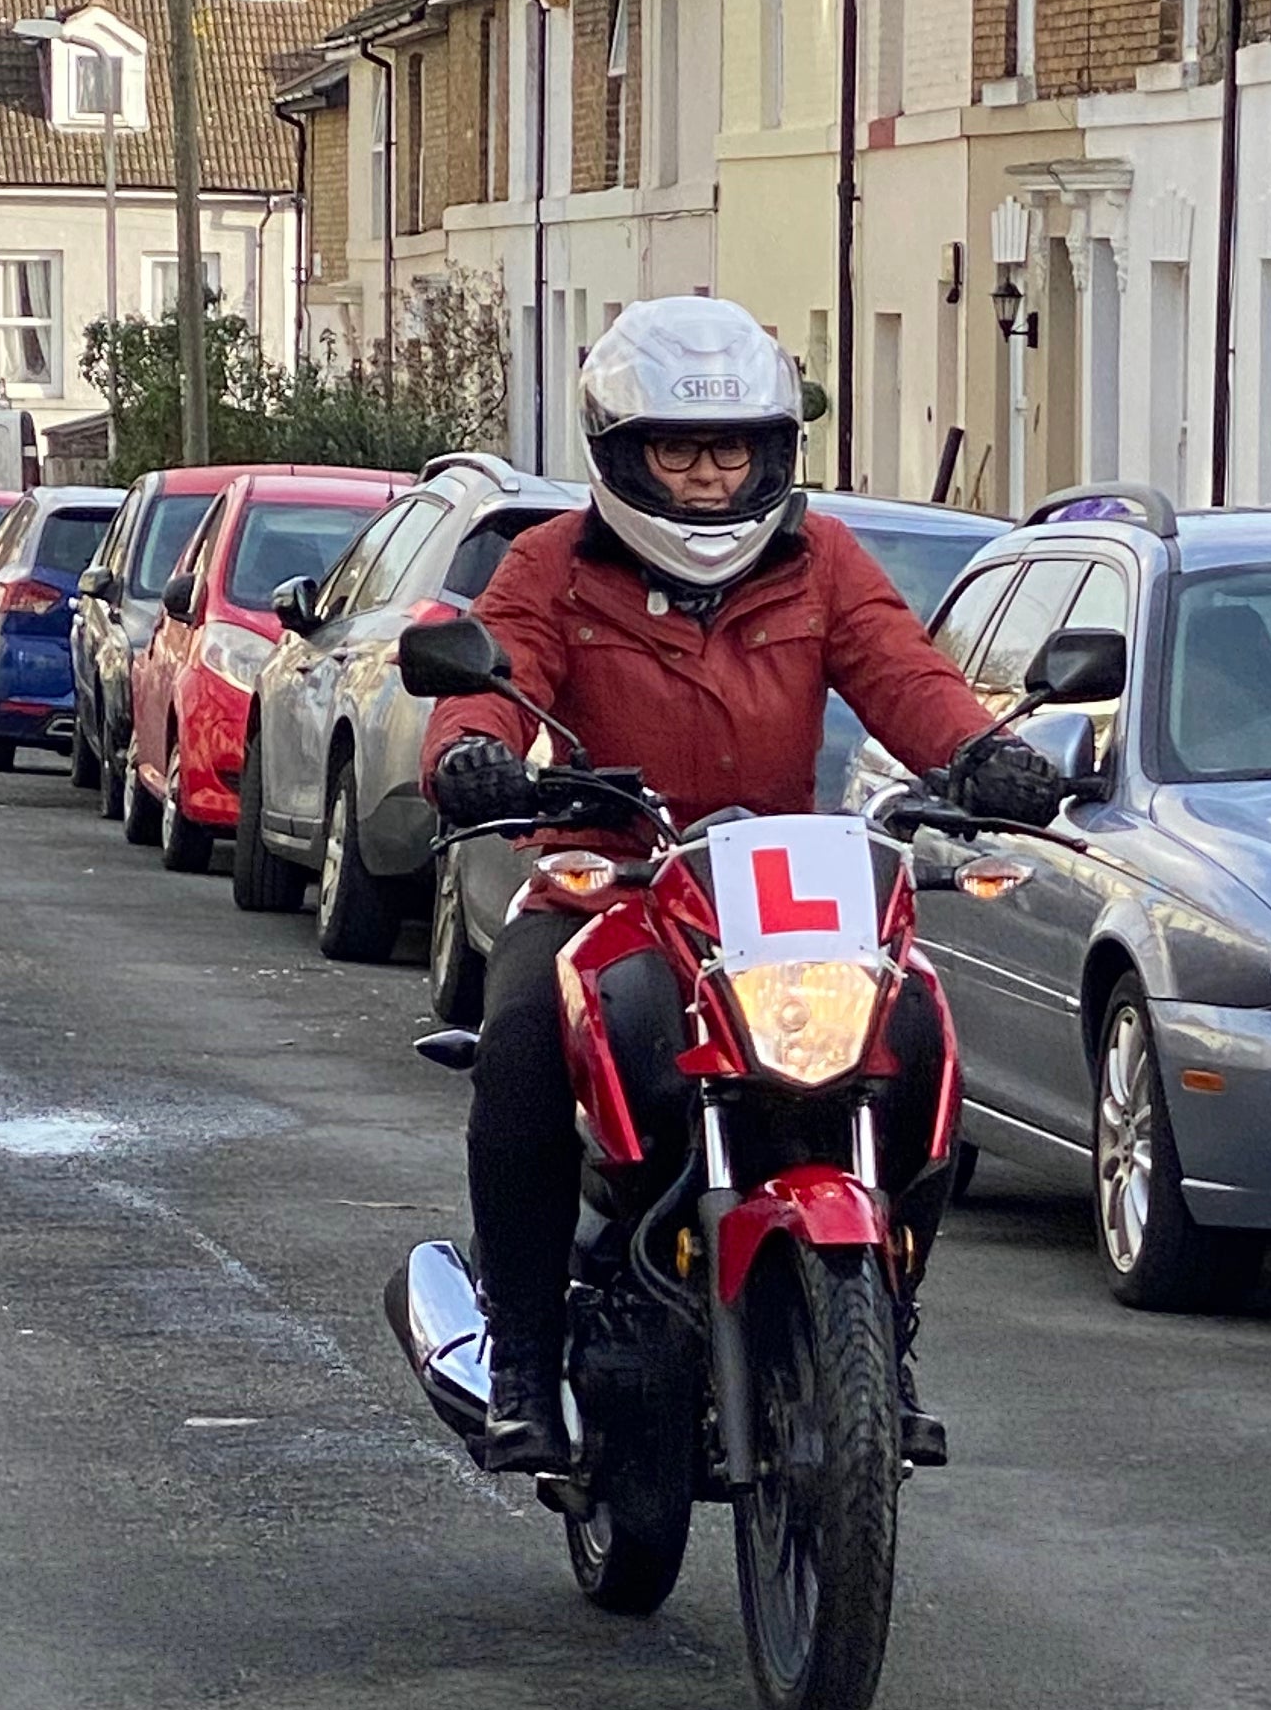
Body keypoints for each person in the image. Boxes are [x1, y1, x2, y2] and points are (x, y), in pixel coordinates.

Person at [423, 297, 1064, 1475]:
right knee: (518, 1040)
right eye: (679, 451)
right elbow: (492, 676)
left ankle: (883, 1330)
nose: (710, 478)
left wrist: (986, 754)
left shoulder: (822, 561)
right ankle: (522, 1353)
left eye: (732, 450)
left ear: (774, 451)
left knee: (918, 1030)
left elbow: (905, 673)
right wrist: (472, 753)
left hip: (782, 895)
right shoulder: (552, 565)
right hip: (607, 883)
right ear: (623, 454)